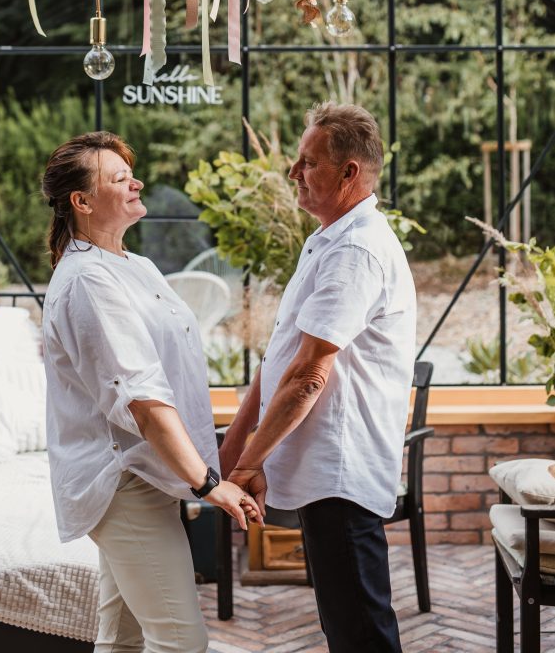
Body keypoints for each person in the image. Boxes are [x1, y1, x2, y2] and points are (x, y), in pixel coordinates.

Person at [41, 131, 262, 653]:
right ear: (82, 201)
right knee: (181, 641)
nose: (136, 182)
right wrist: (208, 484)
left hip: (148, 474)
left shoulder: (133, 266)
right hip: (124, 482)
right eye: (120, 178)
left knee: (122, 639)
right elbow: (142, 401)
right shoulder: (89, 281)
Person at [219, 102, 416, 653]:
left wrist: (249, 463)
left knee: (361, 635)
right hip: (324, 470)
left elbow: (308, 376)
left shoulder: (355, 250)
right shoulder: (329, 239)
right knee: (346, 626)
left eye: (307, 162)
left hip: (340, 472)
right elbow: (282, 358)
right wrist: (235, 452)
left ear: (349, 172)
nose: (293, 172)